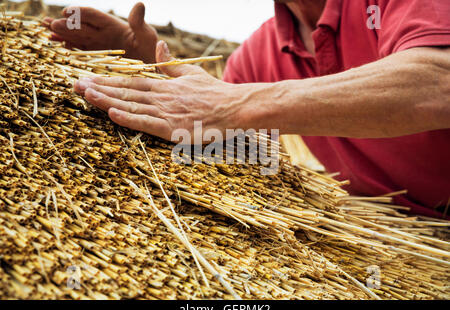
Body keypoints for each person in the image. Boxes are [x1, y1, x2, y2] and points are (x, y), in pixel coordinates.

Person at [45, 1, 450, 218]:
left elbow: (438, 83)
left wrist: (237, 103)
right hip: (395, 228)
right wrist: (144, 57)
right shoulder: (257, 55)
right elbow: (226, 140)